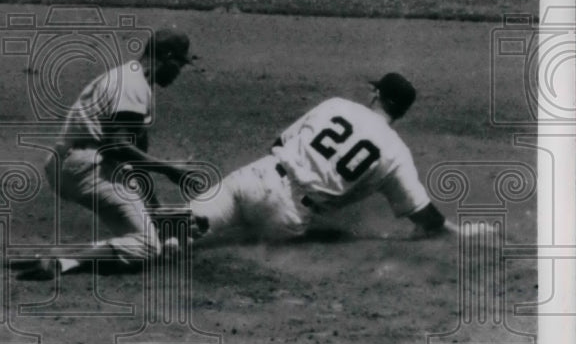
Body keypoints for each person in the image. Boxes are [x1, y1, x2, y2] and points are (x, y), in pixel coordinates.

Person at [190, 73, 478, 245]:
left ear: (375, 94)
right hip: (286, 217)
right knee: (249, 248)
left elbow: (279, 143)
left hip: (255, 178)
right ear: (401, 112)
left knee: (177, 226)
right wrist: (454, 231)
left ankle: (153, 241)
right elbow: (423, 214)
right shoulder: (397, 153)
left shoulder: (337, 105)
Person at [15, 29, 199, 281]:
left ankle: (61, 255)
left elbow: (132, 159)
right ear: (166, 57)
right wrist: (170, 170)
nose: (179, 72)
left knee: (143, 233)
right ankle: (64, 261)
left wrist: (154, 208)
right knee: (147, 246)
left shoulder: (131, 78)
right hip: (86, 168)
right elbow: (119, 147)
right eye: (179, 63)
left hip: (75, 163)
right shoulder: (133, 87)